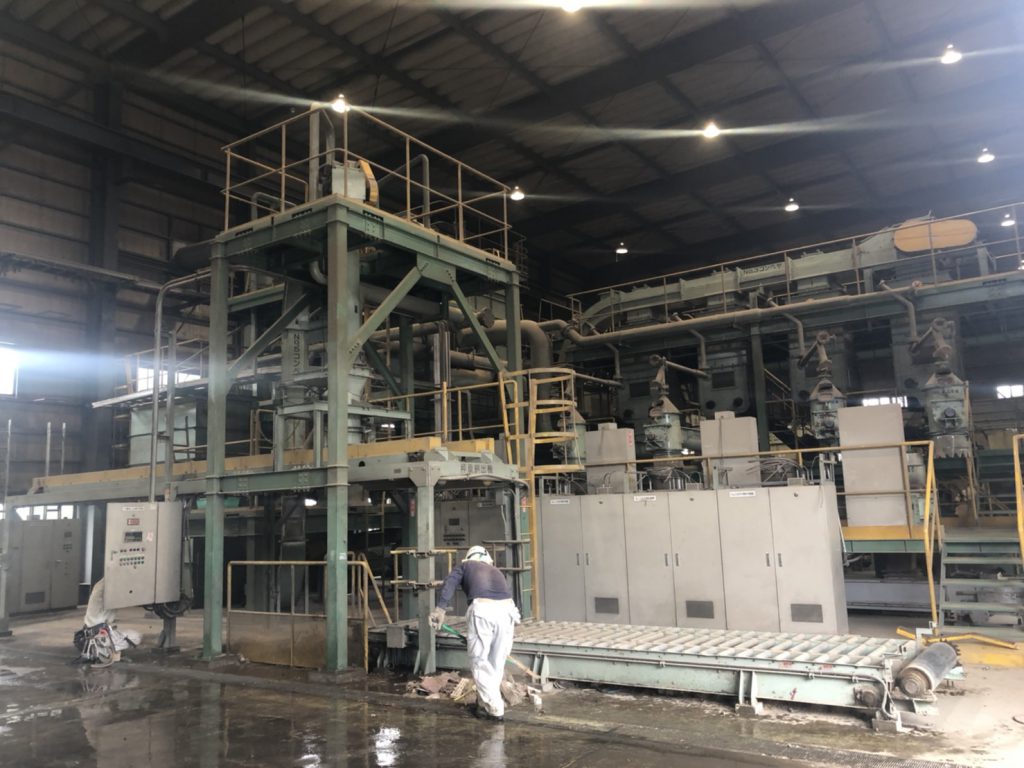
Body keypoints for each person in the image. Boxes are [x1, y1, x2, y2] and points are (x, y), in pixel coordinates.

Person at [429, 545, 520, 721]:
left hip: (483, 610)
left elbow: (449, 582)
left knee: (479, 661)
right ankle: (484, 703)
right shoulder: (496, 571)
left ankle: (495, 710)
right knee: (496, 662)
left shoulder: (466, 566)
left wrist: (440, 609)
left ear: (470, 558)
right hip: (508, 611)